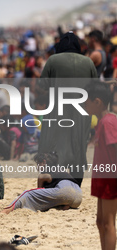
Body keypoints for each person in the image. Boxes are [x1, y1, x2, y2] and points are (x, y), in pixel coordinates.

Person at [38, 31, 98, 187]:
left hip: (57, 111)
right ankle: (75, 186)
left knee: (53, 147)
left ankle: (51, 186)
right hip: (81, 113)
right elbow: (95, 87)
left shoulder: (53, 60)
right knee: (78, 146)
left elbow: (42, 85)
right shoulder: (88, 62)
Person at [84, 81, 117, 250]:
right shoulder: (101, 123)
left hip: (110, 179)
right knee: (100, 221)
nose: (84, 106)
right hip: (101, 179)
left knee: (109, 223)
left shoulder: (109, 122)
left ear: (97, 102)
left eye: (86, 102)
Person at [2, 152, 82, 214]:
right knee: (54, 196)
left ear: (44, 162)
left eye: (38, 163)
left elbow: (41, 182)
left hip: (65, 191)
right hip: (78, 197)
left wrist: (38, 189)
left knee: (27, 194)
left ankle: (6, 210)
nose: (37, 167)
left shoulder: (47, 172)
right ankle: (65, 205)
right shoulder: (60, 170)